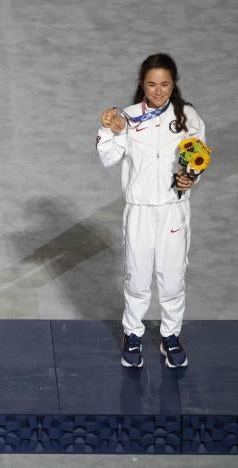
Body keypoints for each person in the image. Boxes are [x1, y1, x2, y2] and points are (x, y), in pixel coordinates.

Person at [97, 53, 205, 368]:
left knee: (172, 279)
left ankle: (171, 335)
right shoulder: (128, 117)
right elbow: (107, 157)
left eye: (165, 84)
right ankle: (132, 333)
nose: (158, 91)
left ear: (174, 84)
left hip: (173, 210)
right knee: (138, 278)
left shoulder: (187, 117)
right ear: (142, 84)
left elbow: (198, 159)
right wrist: (111, 130)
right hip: (140, 211)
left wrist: (190, 178)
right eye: (152, 84)